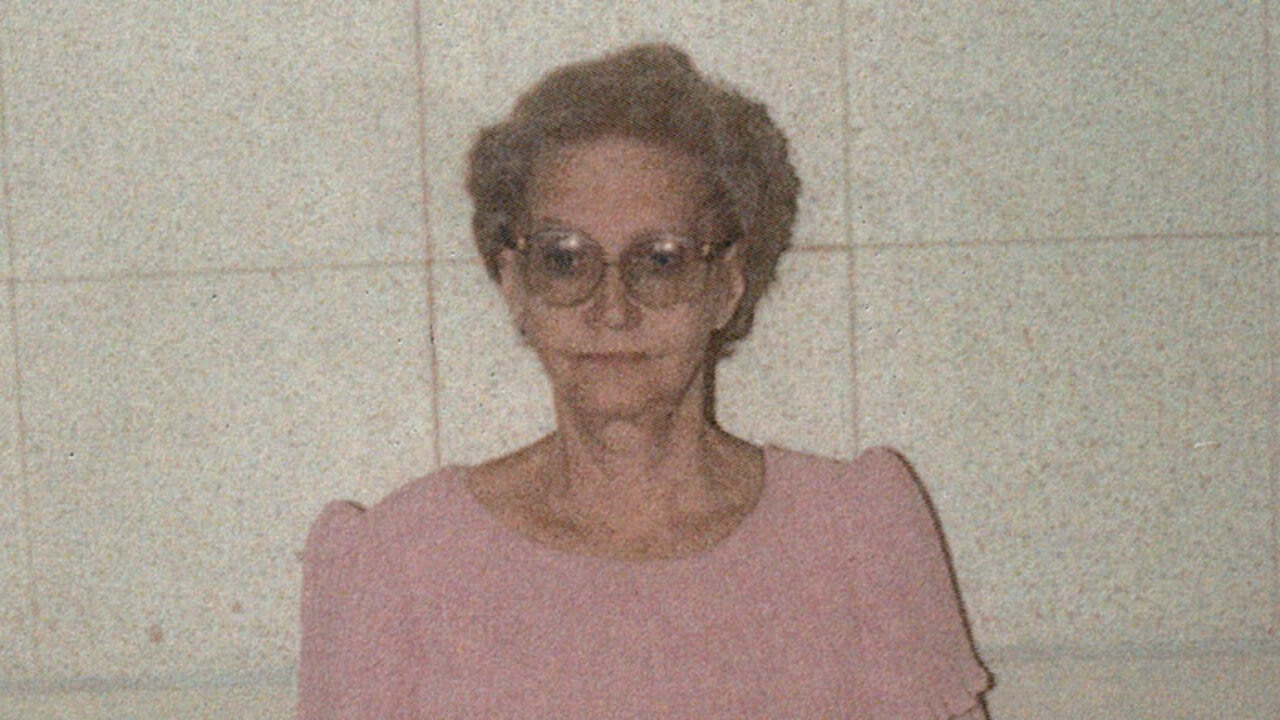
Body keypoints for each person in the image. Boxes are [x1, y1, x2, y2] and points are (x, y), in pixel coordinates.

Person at [298, 43, 990, 719]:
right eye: (564, 260)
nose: (613, 309)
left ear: (727, 285)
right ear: (514, 286)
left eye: (660, 260)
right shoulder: (400, 563)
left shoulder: (856, 536)